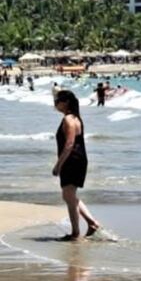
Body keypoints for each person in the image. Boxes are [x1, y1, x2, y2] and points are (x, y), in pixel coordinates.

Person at [52, 90, 100, 241]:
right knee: (69, 196)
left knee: (68, 196)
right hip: (77, 159)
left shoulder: (69, 119)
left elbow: (70, 144)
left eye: (58, 101)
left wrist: (58, 165)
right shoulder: (75, 118)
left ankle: (75, 233)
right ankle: (92, 224)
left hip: (72, 160)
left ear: (65, 102)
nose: (55, 104)